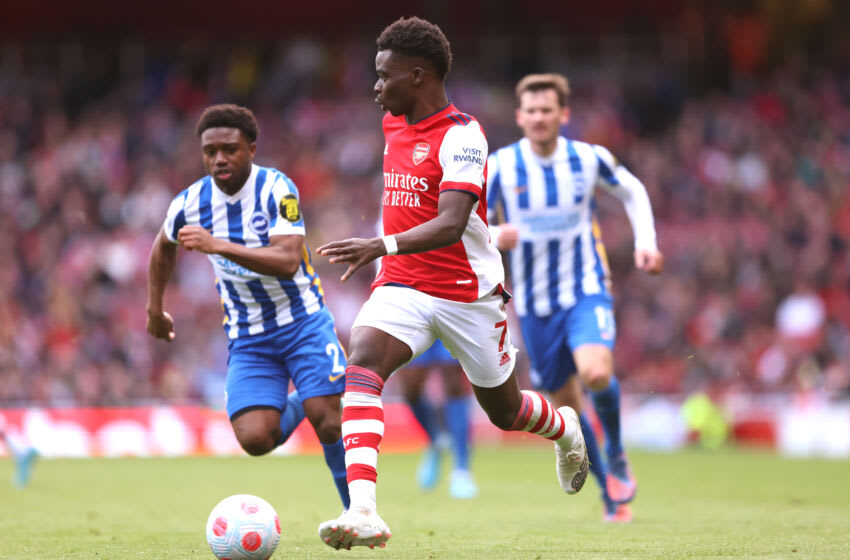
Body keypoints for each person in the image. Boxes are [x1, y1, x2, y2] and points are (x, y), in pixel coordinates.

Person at [315, 17, 588, 550]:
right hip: (403, 285)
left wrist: (378, 245)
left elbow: (452, 222)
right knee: (364, 358)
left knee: (505, 411)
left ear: (417, 76)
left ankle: (564, 427)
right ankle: (363, 509)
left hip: (468, 292)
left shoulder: (463, 135)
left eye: (383, 76)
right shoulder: (394, 121)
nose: (375, 87)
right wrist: (387, 255)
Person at [146, 104, 350, 511]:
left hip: (303, 322)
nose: (219, 158)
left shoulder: (277, 189)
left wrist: (218, 245)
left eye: (229, 149)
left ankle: (358, 511)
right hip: (249, 337)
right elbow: (162, 248)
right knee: (256, 439)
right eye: (210, 151)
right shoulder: (188, 203)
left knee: (329, 419)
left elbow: (288, 259)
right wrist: (154, 308)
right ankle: (306, 399)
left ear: (251, 149)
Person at [486, 73, 664, 522]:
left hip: (585, 288)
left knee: (596, 372)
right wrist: (492, 234)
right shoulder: (501, 166)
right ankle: (611, 496)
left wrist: (646, 242)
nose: (540, 118)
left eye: (549, 110)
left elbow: (633, 190)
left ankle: (619, 452)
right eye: (532, 110)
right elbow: (467, 227)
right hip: (534, 304)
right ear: (519, 116)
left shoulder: (587, 159)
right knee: (569, 412)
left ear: (563, 115)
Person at [398, 340, 478, 499]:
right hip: (416, 317)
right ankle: (436, 439)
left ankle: (461, 470)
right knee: (410, 388)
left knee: (454, 382)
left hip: (450, 315)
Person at [0, 413, 38, 488]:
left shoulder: (9, 437)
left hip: (26, 451)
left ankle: (21, 482)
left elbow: (16, 448)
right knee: (24, 466)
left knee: (23, 466)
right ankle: (22, 480)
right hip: (28, 450)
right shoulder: (10, 434)